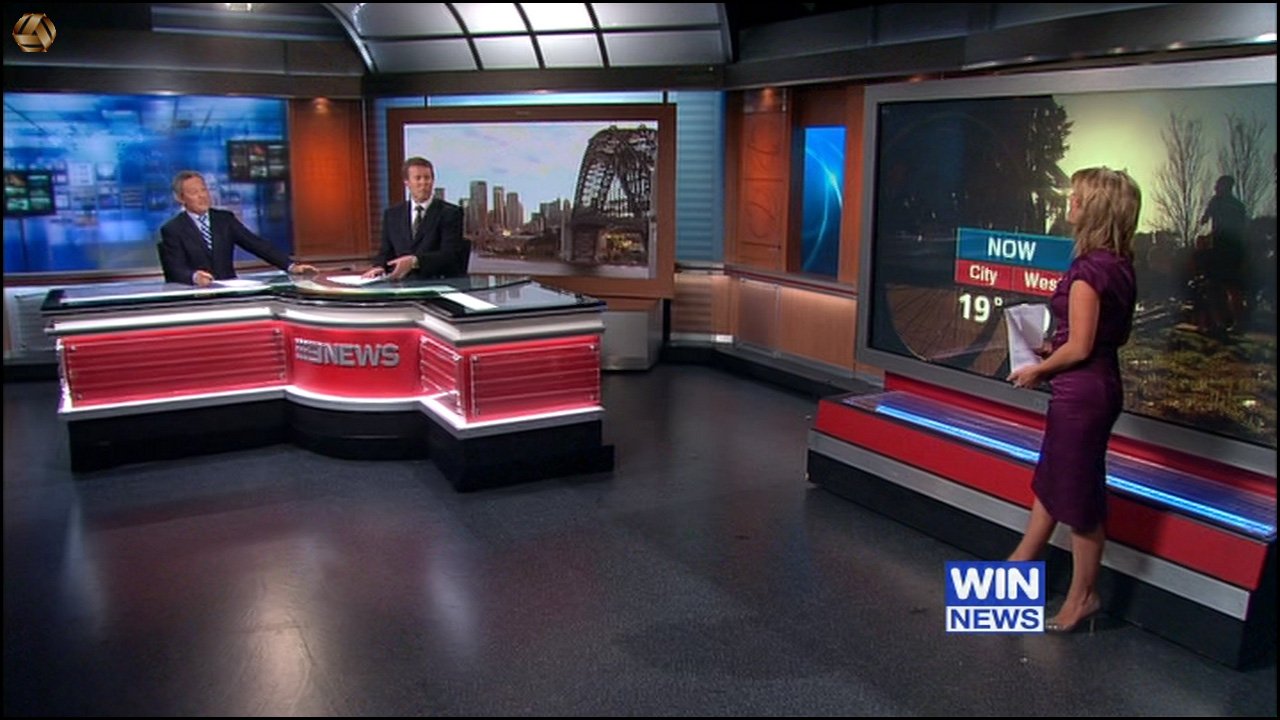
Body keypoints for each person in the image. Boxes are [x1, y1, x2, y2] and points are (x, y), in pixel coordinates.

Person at [1006, 167, 1139, 634]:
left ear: (1095, 209)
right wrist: (1053, 350)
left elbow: (1080, 347)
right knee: (1054, 477)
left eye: (1077, 198)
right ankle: (1020, 566)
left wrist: (1037, 369)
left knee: (1079, 497)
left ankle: (1083, 597)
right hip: (1096, 387)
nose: (1070, 204)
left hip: (1081, 394)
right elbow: (1102, 339)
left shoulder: (1088, 271)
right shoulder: (1119, 266)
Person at [159, 170, 316, 286]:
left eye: (204, 189)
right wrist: (194, 277)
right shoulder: (173, 229)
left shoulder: (224, 220)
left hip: (229, 292)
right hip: (195, 295)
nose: (202, 196)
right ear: (180, 198)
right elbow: (174, 268)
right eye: (194, 192)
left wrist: (290, 266)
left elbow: (256, 244)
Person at [363, 157, 469, 281]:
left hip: (436, 282)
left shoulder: (450, 213)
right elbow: (385, 252)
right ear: (407, 182)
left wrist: (415, 261)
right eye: (418, 178)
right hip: (400, 284)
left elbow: (450, 255)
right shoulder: (392, 215)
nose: (423, 183)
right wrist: (379, 266)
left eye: (427, 178)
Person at [1198, 175, 1249, 335]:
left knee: (1214, 286)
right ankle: (1238, 324)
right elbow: (1244, 227)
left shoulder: (1216, 201)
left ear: (1224, 186)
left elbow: (1203, 220)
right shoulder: (1239, 205)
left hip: (1220, 248)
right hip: (1235, 249)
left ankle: (1218, 323)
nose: (1215, 188)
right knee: (1234, 288)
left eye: (1217, 185)